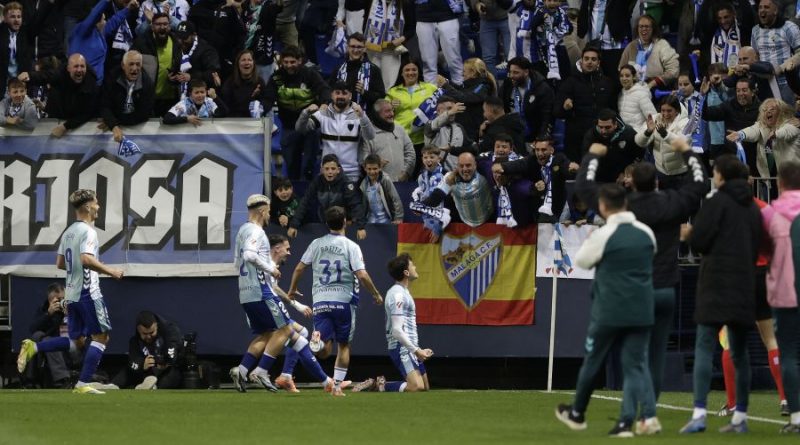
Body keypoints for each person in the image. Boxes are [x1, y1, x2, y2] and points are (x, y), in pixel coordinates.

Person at [575, 138, 707, 429]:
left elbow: (584, 186)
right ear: (657, 182)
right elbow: (699, 184)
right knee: (656, 356)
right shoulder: (672, 202)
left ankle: (635, 416)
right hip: (667, 287)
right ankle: (649, 415)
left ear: (630, 182)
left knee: (635, 359)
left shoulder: (624, 207)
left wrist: (592, 156)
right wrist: (686, 151)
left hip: (636, 290)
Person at [555, 182, 659, 437]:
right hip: (641, 308)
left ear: (603, 206)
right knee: (635, 366)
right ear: (625, 203)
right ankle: (627, 422)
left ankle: (578, 413)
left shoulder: (603, 234)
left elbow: (581, 261)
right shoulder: (646, 232)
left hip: (610, 309)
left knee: (592, 361)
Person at [680, 155, 762, 434]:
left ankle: (700, 413)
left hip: (715, 283)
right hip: (744, 285)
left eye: (715, 172)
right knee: (740, 353)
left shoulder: (716, 203)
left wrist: (689, 234)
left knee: (704, 346)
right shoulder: (753, 207)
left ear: (722, 176)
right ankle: (740, 417)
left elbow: (702, 241)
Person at [17, 189, 125, 394]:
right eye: (96, 203)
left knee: (76, 341)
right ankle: (83, 383)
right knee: (101, 337)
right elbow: (85, 259)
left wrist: (84, 267)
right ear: (87, 207)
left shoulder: (68, 232)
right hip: (88, 292)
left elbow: (60, 263)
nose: (98, 207)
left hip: (72, 293)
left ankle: (35, 347)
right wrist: (110, 271)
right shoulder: (89, 231)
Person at [230, 195, 338, 394]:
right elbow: (249, 255)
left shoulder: (242, 232)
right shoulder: (257, 232)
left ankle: (243, 369)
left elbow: (237, 261)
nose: (270, 214)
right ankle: (262, 371)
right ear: (262, 211)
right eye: (269, 211)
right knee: (287, 331)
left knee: (268, 334)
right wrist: (269, 270)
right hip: (261, 292)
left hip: (245, 292)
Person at [287, 206, 384, 396]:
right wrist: (376, 293)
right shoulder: (351, 246)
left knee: (325, 349)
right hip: (344, 301)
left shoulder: (316, 243)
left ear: (326, 223)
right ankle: (337, 387)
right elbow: (362, 275)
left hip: (321, 301)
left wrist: (292, 289)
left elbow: (299, 268)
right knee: (343, 345)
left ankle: (318, 341)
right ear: (346, 221)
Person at [352, 253, 433, 392]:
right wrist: (417, 350)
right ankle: (378, 385)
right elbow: (396, 330)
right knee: (416, 387)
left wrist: (418, 349)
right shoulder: (397, 294)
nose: (415, 267)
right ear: (406, 272)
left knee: (425, 387)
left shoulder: (404, 292)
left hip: (411, 346)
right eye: (412, 265)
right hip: (402, 347)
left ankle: (380, 384)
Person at [761, 160, 800, 433]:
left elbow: (761, 253)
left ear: (780, 183)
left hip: (785, 293)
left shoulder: (771, 213)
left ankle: (797, 417)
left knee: (788, 354)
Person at [263, 45, 331, 180]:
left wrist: (324, 102)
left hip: (309, 126)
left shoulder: (310, 74)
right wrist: (261, 109)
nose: (289, 65)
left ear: (300, 60)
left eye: (292, 62)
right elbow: (268, 98)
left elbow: (324, 89)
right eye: (286, 62)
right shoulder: (276, 78)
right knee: (291, 165)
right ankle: (294, 190)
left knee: (308, 165)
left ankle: (309, 182)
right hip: (289, 126)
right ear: (281, 62)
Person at [296, 81, 376, 183]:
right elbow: (300, 129)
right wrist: (305, 113)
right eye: (337, 93)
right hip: (328, 172)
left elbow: (370, 136)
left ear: (350, 95)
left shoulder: (358, 114)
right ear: (332, 95)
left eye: (344, 93)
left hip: (351, 173)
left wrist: (362, 116)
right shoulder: (323, 113)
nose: (341, 96)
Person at [553, 47, 616, 163]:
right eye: (586, 59)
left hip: (601, 137)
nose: (589, 62)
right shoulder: (569, 82)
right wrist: (565, 108)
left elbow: (613, 109)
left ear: (598, 63)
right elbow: (557, 112)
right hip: (576, 139)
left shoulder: (607, 82)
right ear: (581, 61)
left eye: (593, 59)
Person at [287, 154, 367, 240]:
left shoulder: (346, 183)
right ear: (322, 170)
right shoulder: (317, 181)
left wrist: (361, 227)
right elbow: (305, 202)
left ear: (338, 170)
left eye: (333, 169)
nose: (330, 172)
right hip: (324, 221)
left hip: (344, 223)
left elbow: (355, 204)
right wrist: (293, 225)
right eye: (327, 169)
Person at [493, 137, 571, 224]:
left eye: (543, 150)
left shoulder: (558, 160)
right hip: (540, 208)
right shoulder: (532, 160)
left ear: (551, 150)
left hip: (559, 205)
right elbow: (519, 164)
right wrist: (503, 167)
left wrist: (571, 169)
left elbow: (567, 168)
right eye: (537, 150)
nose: (540, 153)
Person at [22, 54, 100, 138]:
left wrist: (65, 127)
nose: (79, 69)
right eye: (76, 66)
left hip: (79, 120)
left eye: (82, 66)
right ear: (68, 68)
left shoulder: (91, 82)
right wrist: (29, 76)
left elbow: (88, 112)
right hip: (57, 116)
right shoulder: (60, 73)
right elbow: (46, 76)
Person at [21, 283, 82, 389]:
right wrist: (49, 314)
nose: (63, 302)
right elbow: (33, 329)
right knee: (38, 335)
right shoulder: (45, 310)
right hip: (53, 351)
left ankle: (30, 379)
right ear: (50, 301)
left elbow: (82, 333)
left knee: (45, 340)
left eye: (64, 298)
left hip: (74, 348)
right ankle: (59, 379)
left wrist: (69, 314)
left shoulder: (74, 307)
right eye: (59, 300)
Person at [728, 98, 800, 182]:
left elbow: (787, 132)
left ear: (781, 112)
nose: (768, 112)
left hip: (792, 179)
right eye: (765, 110)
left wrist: (776, 134)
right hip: (768, 180)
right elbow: (753, 130)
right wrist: (740, 134)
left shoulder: (792, 124)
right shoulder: (762, 126)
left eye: (772, 109)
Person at [111, 310, 184, 389]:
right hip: (144, 373)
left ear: (156, 326)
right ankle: (112, 386)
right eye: (145, 334)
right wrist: (143, 364)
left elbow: (172, 353)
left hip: (166, 370)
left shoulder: (169, 332)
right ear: (139, 330)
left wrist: (162, 362)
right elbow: (133, 362)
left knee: (172, 373)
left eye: (152, 332)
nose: (149, 336)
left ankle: (153, 387)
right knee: (127, 370)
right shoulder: (134, 341)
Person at [423, 152, 494, 227]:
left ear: (475, 165)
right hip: (464, 223)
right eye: (461, 166)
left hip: (490, 221)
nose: (465, 169)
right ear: (457, 167)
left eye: (468, 165)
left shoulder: (485, 173)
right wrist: (420, 206)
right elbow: (435, 198)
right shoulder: (450, 178)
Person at [635, 96, 691, 190]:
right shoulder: (655, 118)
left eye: (669, 111)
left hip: (680, 174)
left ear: (677, 111)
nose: (665, 114)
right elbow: (639, 142)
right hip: (661, 172)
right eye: (663, 110)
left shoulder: (685, 123)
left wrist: (665, 133)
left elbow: (682, 143)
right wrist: (648, 131)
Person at [100, 50, 155, 142]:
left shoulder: (148, 84)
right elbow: (104, 105)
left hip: (140, 128)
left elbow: (144, 113)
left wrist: (113, 122)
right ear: (123, 65)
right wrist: (113, 125)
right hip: (116, 127)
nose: (135, 68)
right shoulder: (111, 78)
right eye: (131, 64)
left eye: (138, 64)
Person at [752, 0, 800, 104]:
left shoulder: (789, 27)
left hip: (786, 82)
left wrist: (782, 68)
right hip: (765, 83)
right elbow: (755, 56)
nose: (762, 10)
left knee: (787, 116)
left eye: (766, 7)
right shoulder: (755, 30)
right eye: (760, 7)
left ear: (775, 10)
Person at [132, 12, 180, 116]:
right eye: (158, 24)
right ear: (152, 26)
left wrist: (176, 77)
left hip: (171, 99)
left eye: (165, 24)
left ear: (169, 26)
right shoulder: (141, 43)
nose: (162, 27)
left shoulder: (177, 42)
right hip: (148, 98)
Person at [362, 0, 416, 91]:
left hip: (391, 51)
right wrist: (365, 41)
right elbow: (366, 21)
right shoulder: (372, 1)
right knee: (372, 83)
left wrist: (401, 39)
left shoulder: (405, 3)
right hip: (372, 49)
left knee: (388, 84)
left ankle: (386, 104)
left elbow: (411, 28)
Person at [581, 109, 645, 184]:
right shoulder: (591, 136)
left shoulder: (628, 134)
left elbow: (639, 154)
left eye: (607, 127)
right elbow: (586, 159)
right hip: (599, 180)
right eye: (600, 127)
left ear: (615, 124)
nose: (603, 131)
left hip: (623, 181)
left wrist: (626, 172)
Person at [618, 14, 680, 91]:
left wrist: (653, 83)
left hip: (656, 88)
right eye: (641, 26)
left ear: (653, 29)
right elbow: (621, 69)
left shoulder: (662, 45)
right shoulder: (631, 46)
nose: (644, 29)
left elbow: (674, 71)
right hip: (634, 89)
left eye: (647, 26)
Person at [500, 56, 555, 142]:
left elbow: (546, 117)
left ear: (526, 72)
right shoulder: (508, 84)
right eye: (510, 72)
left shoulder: (542, 88)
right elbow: (500, 106)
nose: (511, 76)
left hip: (533, 133)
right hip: (511, 132)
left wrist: (540, 138)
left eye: (516, 72)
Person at [362, 98, 416, 181]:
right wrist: (374, 163)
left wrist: (405, 173)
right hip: (378, 183)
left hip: (401, 183)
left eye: (392, 110)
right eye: (387, 111)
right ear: (377, 114)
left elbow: (410, 154)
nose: (392, 114)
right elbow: (363, 157)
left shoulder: (400, 129)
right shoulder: (368, 133)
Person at [331, 33, 386, 109]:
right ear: (347, 47)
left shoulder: (374, 69)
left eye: (359, 47)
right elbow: (330, 91)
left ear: (365, 49)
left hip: (364, 116)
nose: (356, 50)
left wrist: (364, 92)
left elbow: (381, 96)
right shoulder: (338, 69)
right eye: (353, 46)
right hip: (341, 115)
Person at [220, 50, 268, 118]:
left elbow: (265, 105)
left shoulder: (260, 82)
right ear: (238, 64)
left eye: (249, 60)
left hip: (253, 121)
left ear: (254, 63)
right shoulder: (230, 82)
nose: (247, 63)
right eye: (243, 60)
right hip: (233, 121)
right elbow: (225, 107)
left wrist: (258, 96)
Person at [359, 154, 404, 224]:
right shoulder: (364, 184)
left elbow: (395, 199)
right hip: (370, 220)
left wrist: (398, 217)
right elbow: (363, 205)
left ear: (380, 167)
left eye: (375, 168)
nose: (372, 172)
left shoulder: (385, 180)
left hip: (386, 220)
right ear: (365, 168)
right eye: (369, 169)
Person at [1, 3, 33, 97]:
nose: (16, 20)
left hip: (20, 82)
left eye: (19, 17)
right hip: (3, 83)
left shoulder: (26, 33)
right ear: (5, 19)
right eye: (12, 17)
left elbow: (39, 20)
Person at [162, 78, 228, 124]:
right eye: (196, 92)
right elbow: (166, 119)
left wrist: (215, 97)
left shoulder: (210, 101)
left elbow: (225, 112)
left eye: (202, 92)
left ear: (206, 92)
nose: (200, 95)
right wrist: (186, 119)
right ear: (190, 94)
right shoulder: (183, 103)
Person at [617, 64, 657, 132]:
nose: (624, 78)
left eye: (627, 76)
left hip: (638, 134)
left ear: (634, 77)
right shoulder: (621, 94)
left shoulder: (641, 94)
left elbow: (653, 117)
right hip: (624, 133)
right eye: (621, 76)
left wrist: (642, 133)